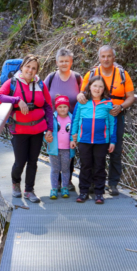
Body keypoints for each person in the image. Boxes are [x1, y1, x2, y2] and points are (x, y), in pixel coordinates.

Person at [0, 55, 54, 203]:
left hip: (38, 130)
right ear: (22, 67)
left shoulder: (40, 84)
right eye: (28, 66)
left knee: (33, 161)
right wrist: (16, 100)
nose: (30, 70)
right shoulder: (12, 82)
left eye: (34, 68)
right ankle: (15, 184)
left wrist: (50, 129)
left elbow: (48, 106)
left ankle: (29, 190)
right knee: (20, 161)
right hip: (19, 130)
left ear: (37, 71)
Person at [77, 45, 135, 196]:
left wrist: (121, 107)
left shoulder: (123, 75)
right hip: (94, 117)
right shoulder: (91, 74)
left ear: (114, 58)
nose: (106, 59)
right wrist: (80, 97)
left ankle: (113, 183)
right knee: (91, 150)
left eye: (109, 56)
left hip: (116, 115)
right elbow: (82, 94)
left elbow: (131, 97)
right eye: (103, 56)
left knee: (115, 150)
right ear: (99, 58)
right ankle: (91, 183)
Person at [70, 76, 116, 204]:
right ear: (89, 86)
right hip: (84, 140)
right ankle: (83, 191)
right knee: (85, 166)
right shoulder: (82, 103)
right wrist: (72, 137)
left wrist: (112, 141)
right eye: (95, 85)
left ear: (104, 89)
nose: (97, 89)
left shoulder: (108, 104)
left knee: (100, 166)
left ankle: (99, 193)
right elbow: (75, 120)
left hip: (102, 141)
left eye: (101, 86)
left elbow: (112, 123)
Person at [44, 48, 82, 190]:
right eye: (61, 61)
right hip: (54, 122)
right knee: (56, 150)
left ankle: (67, 180)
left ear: (71, 62)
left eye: (67, 61)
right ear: (57, 62)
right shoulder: (51, 77)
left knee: (69, 150)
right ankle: (57, 182)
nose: (64, 63)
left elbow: (85, 95)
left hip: (72, 122)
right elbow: (42, 97)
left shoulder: (77, 78)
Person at [46, 95, 75, 199]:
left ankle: (65, 188)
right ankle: (54, 189)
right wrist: (47, 138)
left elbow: (75, 131)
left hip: (68, 149)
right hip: (55, 149)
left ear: (68, 107)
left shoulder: (72, 118)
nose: (62, 109)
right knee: (55, 169)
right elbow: (47, 133)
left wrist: (74, 140)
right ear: (56, 107)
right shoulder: (52, 118)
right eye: (60, 107)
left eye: (65, 106)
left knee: (66, 169)